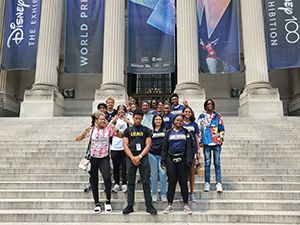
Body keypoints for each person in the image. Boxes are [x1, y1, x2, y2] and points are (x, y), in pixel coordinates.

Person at [75, 112, 121, 213]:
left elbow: (121, 136)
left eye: (104, 119)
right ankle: (96, 203)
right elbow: (77, 139)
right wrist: (83, 133)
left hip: (104, 158)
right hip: (93, 159)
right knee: (94, 181)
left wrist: (116, 129)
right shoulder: (91, 130)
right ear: (96, 121)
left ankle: (108, 201)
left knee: (107, 178)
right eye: (101, 119)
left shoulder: (108, 130)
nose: (103, 121)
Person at [122, 109, 157, 215]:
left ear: (142, 119)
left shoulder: (146, 130)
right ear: (133, 118)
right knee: (130, 182)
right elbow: (125, 145)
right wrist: (133, 157)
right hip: (130, 157)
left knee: (146, 182)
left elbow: (148, 145)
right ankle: (130, 205)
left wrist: (140, 156)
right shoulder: (127, 130)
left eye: (139, 118)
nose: (137, 120)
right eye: (136, 118)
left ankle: (149, 205)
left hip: (143, 157)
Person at [161, 115, 193, 215]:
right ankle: (169, 205)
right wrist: (163, 160)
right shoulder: (168, 133)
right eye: (177, 120)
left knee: (183, 182)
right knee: (171, 182)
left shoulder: (186, 132)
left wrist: (189, 160)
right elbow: (164, 147)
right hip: (171, 159)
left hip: (183, 160)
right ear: (174, 121)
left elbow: (190, 147)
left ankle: (186, 205)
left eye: (181, 120)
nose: (179, 122)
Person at [197, 99, 225, 193]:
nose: (210, 105)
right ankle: (207, 183)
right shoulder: (202, 116)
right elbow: (199, 129)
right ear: (205, 106)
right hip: (206, 143)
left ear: (213, 106)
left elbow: (222, 128)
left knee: (217, 163)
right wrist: (200, 141)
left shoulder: (218, 116)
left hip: (216, 143)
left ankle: (218, 183)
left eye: (211, 104)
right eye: (208, 104)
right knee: (207, 163)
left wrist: (221, 138)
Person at [110, 105, 132, 193]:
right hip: (115, 146)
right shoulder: (115, 119)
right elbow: (108, 127)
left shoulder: (128, 118)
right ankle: (116, 183)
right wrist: (113, 120)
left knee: (124, 166)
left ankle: (124, 183)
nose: (121, 112)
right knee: (115, 166)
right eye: (119, 110)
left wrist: (126, 120)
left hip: (125, 146)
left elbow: (132, 127)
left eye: (123, 110)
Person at [182, 106, 200, 202]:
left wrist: (198, 151)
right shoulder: (180, 123)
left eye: (189, 111)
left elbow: (197, 138)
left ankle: (192, 193)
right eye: (186, 111)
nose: (187, 113)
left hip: (192, 150)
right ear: (183, 113)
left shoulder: (194, 124)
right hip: (182, 150)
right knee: (183, 174)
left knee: (192, 173)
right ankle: (184, 193)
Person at [149, 114, 167, 202]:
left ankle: (163, 194)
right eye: (156, 119)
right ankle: (154, 194)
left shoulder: (165, 130)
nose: (158, 121)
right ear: (154, 121)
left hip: (162, 156)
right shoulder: (150, 131)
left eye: (160, 119)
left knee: (163, 174)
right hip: (152, 154)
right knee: (154, 175)